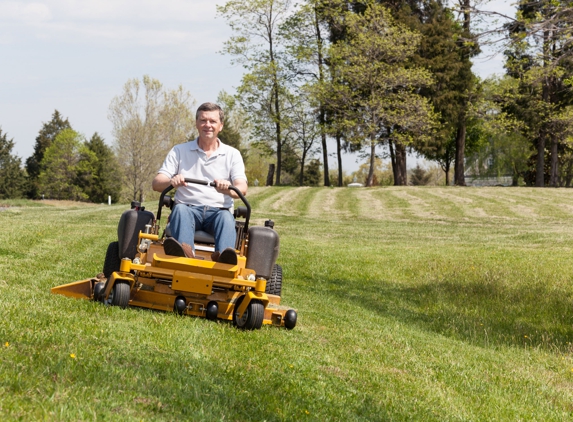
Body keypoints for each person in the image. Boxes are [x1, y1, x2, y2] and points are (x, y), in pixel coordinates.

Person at [152, 102, 248, 264]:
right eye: (203, 121)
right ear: (197, 124)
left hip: (219, 211)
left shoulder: (232, 154)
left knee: (226, 217)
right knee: (180, 209)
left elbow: (242, 188)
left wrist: (227, 189)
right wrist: (172, 181)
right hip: (188, 209)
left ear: (221, 126)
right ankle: (185, 253)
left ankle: (224, 258)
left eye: (212, 121)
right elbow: (157, 183)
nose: (207, 125)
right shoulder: (179, 151)